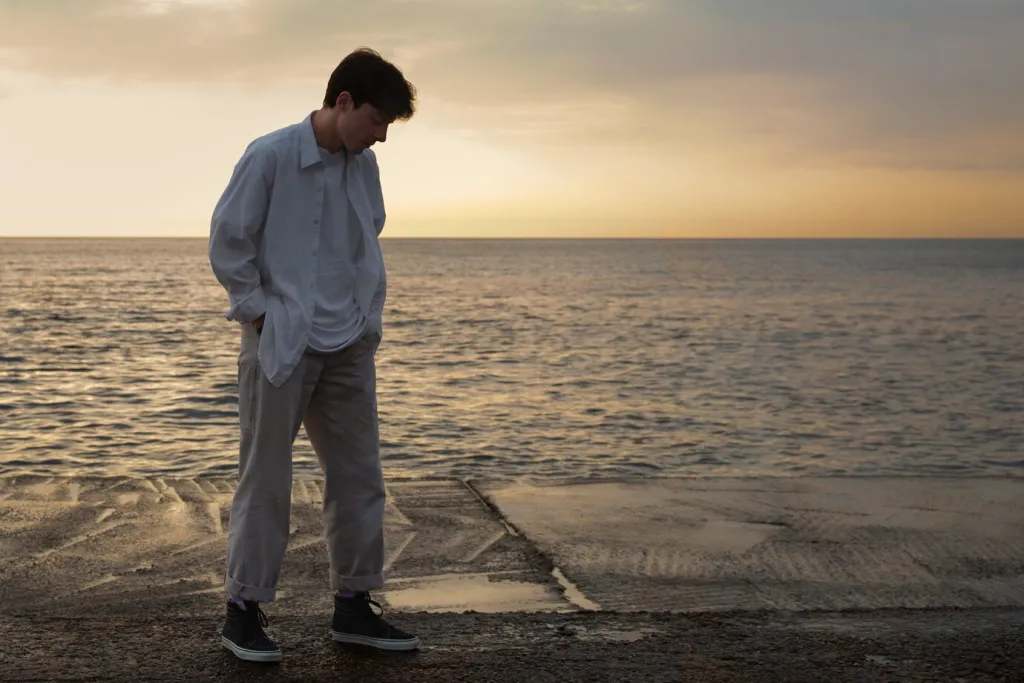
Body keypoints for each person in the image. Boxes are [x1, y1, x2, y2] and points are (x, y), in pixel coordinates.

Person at [208, 48, 416, 663]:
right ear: (343, 102)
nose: (381, 136)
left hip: (348, 343)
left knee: (359, 477)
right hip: (282, 342)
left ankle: (354, 606)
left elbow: (365, 240)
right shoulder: (270, 155)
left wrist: (366, 319)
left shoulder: (364, 166)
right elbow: (228, 240)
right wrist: (261, 311)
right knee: (265, 478)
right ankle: (242, 612)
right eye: (378, 120)